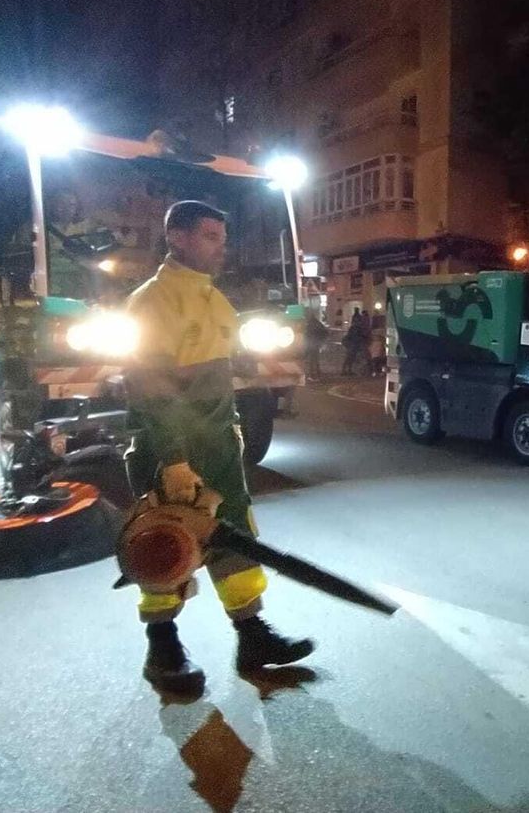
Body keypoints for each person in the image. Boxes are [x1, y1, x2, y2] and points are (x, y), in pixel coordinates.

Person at [124, 200, 313, 693]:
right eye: (210, 237)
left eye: (222, 239)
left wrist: (249, 363)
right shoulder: (152, 302)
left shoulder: (213, 299)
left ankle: (252, 635)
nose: (220, 249)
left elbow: (224, 358)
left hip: (219, 448)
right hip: (176, 449)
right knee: (168, 544)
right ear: (177, 238)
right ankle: (162, 649)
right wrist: (174, 458)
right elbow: (152, 387)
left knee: (235, 541)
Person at [342, 309, 369, 375]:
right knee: (350, 358)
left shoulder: (354, 327)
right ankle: (346, 370)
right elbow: (357, 336)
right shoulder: (355, 328)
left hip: (353, 344)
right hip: (353, 344)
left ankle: (347, 370)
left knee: (350, 358)